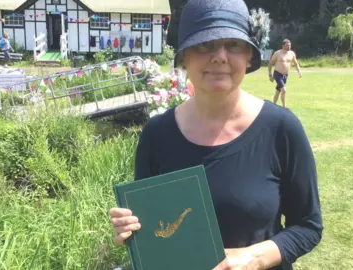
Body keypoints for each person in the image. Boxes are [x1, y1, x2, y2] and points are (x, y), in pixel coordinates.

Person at [109, 0, 323, 269]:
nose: (220, 56)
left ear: (247, 56)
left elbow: (308, 226)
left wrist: (253, 258)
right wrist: (132, 230)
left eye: (233, 44)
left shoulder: (282, 128)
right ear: (185, 57)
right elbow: (154, 227)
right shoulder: (156, 134)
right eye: (205, 44)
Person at [268, 39, 302, 108]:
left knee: (278, 91)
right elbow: (270, 64)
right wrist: (270, 75)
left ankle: (273, 106)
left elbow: (295, 64)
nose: (289, 47)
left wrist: (299, 71)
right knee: (284, 90)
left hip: (285, 76)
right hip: (277, 74)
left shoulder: (292, 54)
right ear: (283, 46)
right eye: (287, 45)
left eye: (289, 45)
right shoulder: (277, 53)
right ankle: (284, 107)